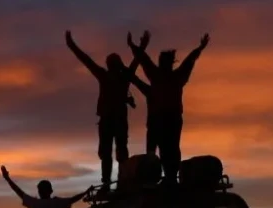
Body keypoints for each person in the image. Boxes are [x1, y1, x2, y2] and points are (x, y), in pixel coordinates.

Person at [66, 30, 151, 189]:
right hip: (112, 119)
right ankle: (112, 182)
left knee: (115, 152)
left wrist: (72, 45)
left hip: (113, 119)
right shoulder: (120, 76)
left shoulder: (111, 76)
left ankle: (114, 182)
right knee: (113, 152)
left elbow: (87, 60)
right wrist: (143, 45)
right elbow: (87, 60)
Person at [127, 32, 210, 182]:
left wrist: (134, 46)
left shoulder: (166, 76)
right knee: (166, 149)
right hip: (165, 119)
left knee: (165, 149)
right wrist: (134, 46)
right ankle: (165, 176)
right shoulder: (172, 76)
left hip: (166, 119)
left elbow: (145, 60)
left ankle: (168, 177)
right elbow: (188, 61)